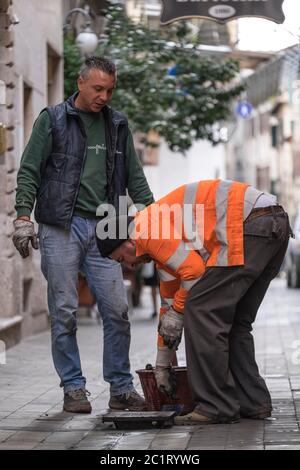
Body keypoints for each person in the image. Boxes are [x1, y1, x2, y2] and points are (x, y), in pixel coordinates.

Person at [12, 56, 154, 413]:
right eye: (98, 88)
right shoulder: (53, 120)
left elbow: (135, 178)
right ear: (80, 82)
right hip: (61, 225)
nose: (104, 96)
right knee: (63, 310)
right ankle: (74, 387)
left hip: (107, 227)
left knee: (118, 309)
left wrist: (156, 220)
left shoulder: (118, 124)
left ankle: (121, 388)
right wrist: (22, 217)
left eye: (110, 89)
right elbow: (29, 168)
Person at [96, 179, 292, 424]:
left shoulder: (145, 230)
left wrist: (179, 311)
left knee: (200, 311)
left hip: (247, 226)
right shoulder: (162, 250)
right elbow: (169, 308)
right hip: (272, 224)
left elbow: (195, 273)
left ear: (128, 242)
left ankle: (216, 406)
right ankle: (253, 403)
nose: (127, 266)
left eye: (120, 259)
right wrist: (161, 365)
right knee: (235, 322)